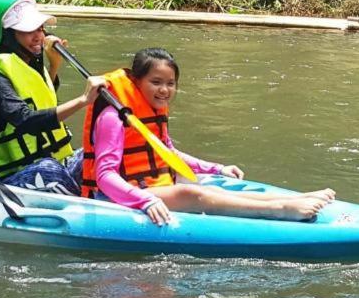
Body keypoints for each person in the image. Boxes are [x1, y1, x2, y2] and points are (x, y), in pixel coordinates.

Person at [80, 48, 336, 225]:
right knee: (192, 194)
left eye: (170, 83)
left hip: (151, 186)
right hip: (119, 195)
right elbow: (105, 176)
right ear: (137, 82)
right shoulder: (113, 117)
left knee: (210, 188)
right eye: (156, 82)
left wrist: (216, 168)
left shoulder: (152, 111)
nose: (164, 90)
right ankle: (280, 210)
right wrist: (144, 200)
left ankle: (293, 198)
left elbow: (168, 153)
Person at [0, 0, 103, 195]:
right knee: (50, 172)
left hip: (48, 160)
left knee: (98, 153)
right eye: (29, 30)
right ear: (6, 35)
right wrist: (84, 100)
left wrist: (54, 66)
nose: (39, 36)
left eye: (40, 29)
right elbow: (25, 120)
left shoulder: (27, 63)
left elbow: (39, 100)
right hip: (9, 175)